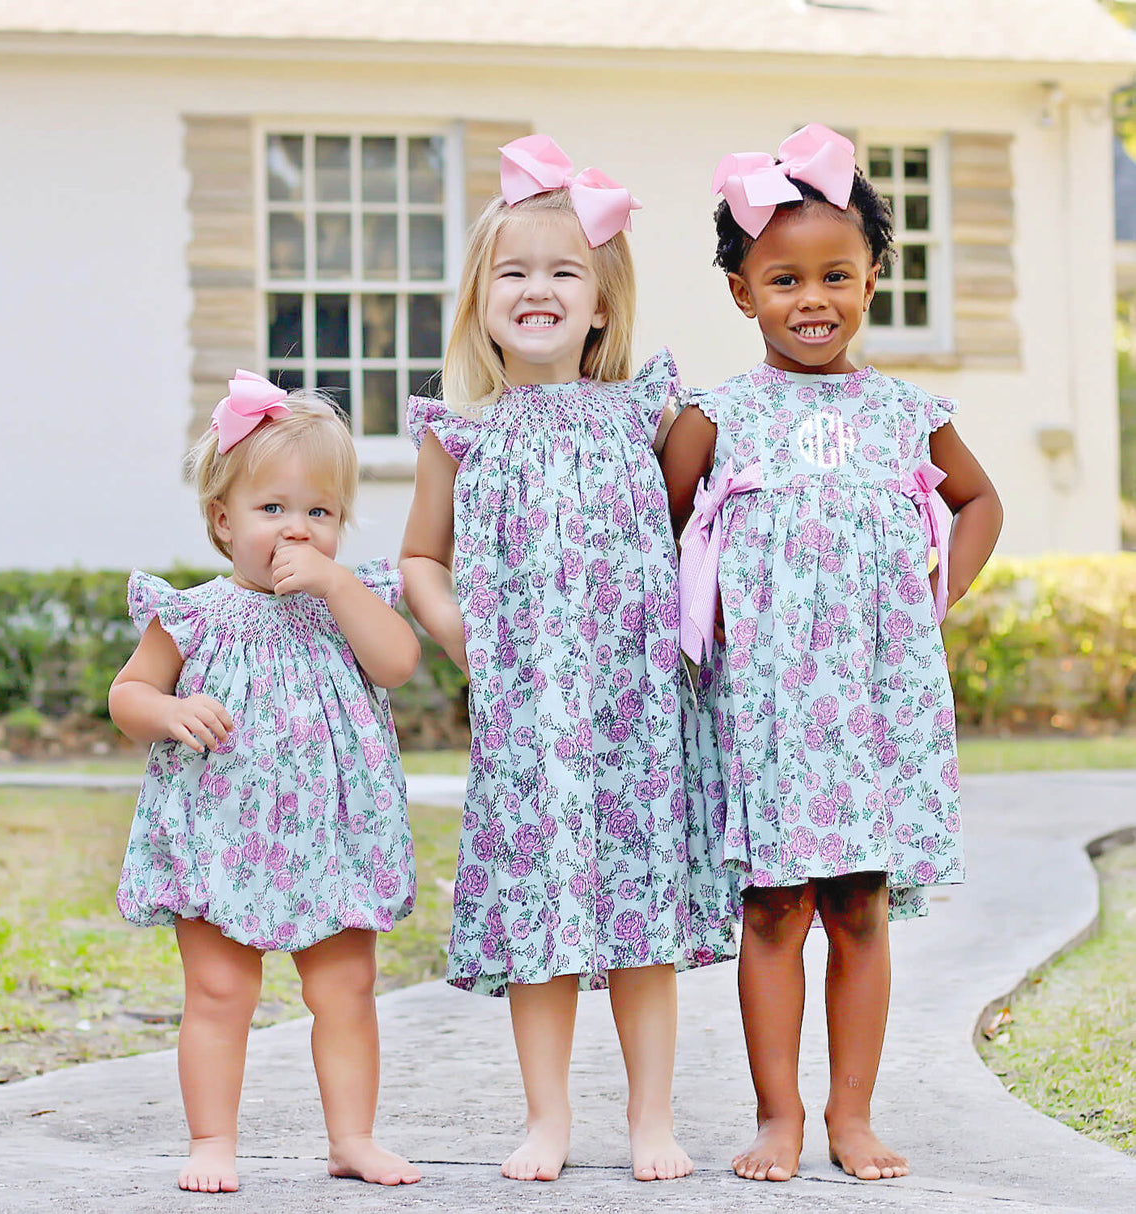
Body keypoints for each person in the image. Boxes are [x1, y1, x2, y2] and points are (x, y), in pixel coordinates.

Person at [662, 124, 1003, 1184]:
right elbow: (658, 529)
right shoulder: (715, 415)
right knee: (773, 904)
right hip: (761, 704)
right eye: (783, 279)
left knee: (856, 902)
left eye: (835, 276)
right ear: (739, 291)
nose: (811, 299)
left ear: (869, 282)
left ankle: (851, 1112)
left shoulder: (907, 413)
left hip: (872, 697)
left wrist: (937, 589)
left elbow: (978, 500)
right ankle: (779, 1117)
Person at [399, 135, 735, 1184]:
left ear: (599, 302)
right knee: (540, 924)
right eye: (511, 271)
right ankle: (546, 1116)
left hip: (634, 710)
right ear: (479, 300)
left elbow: (714, 511)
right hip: (526, 717)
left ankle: (649, 1117)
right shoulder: (461, 433)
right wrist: (460, 631)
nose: (535, 288)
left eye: (561, 270)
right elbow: (418, 555)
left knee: (637, 924)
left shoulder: (645, 412)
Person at [108, 373, 422, 1193]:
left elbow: (398, 663)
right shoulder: (196, 613)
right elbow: (127, 695)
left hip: (331, 831)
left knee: (346, 986)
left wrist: (341, 585)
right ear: (223, 520)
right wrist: (170, 713)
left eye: (319, 512)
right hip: (221, 827)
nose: (298, 529)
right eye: (272, 509)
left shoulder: (347, 600)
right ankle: (213, 1140)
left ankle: (352, 1138)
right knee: (219, 990)